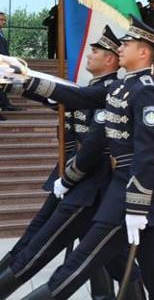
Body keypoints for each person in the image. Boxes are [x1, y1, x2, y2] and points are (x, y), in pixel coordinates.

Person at [15, 15, 154, 300]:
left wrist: (137, 205)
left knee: (79, 267)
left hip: (133, 190)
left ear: (143, 52)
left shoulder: (148, 92)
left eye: (127, 43)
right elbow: (77, 97)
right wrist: (26, 82)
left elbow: (146, 154)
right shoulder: (120, 87)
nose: (121, 47)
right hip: (125, 187)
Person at [0, 26, 143, 300]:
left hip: (90, 182)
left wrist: (70, 178)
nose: (89, 55)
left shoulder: (112, 90)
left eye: (96, 51)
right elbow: (56, 96)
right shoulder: (91, 89)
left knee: (43, 248)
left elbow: (93, 142)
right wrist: (10, 76)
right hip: (73, 179)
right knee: (98, 252)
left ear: (111, 60)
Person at [0, 12, 20, 116]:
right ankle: (5, 105)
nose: (3, 22)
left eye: (4, 20)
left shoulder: (1, 33)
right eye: (1, 20)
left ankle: (5, 104)